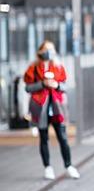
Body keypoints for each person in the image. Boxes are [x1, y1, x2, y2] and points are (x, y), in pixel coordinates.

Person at [24, 41, 79, 180]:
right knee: (44, 139)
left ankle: (69, 166)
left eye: (51, 49)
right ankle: (47, 167)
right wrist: (42, 84)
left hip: (56, 108)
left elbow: (65, 86)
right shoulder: (33, 68)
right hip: (40, 108)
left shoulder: (59, 67)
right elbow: (28, 88)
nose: (48, 52)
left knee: (63, 138)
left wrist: (56, 85)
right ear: (40, 52)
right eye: (46, 50)